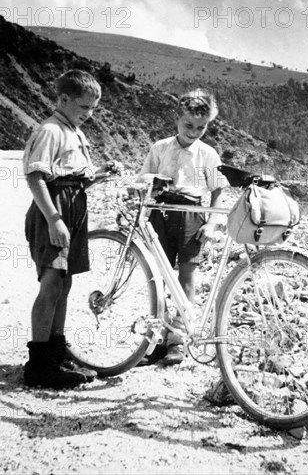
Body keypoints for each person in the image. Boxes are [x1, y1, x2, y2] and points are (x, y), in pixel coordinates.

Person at [23, 69, 122, 389]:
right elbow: (36, 177)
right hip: (54, 210)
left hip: (74, 207)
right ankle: (39, 364)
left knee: (64, 286)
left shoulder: (73, 130)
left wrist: (102, 175)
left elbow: (76, 177)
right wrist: (53, 219)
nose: (89, 115)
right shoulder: (51, 130)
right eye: (84, 108)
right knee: (51, 284)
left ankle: (56, 349)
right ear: (64, 100)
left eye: (94, 109)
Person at [137, 89, 228, 365]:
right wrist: (151, 184)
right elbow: (143, 180)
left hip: (192, 215)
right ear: (177, 118)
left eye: (201, 127)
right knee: (159, 277)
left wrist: (211, 222)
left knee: (186, 276)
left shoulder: (208, 154)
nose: (194, 132)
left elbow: (218, 191)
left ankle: (179, 339)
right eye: (188, 125)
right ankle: (156, 341)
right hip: (161, 213)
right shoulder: (160, 148)